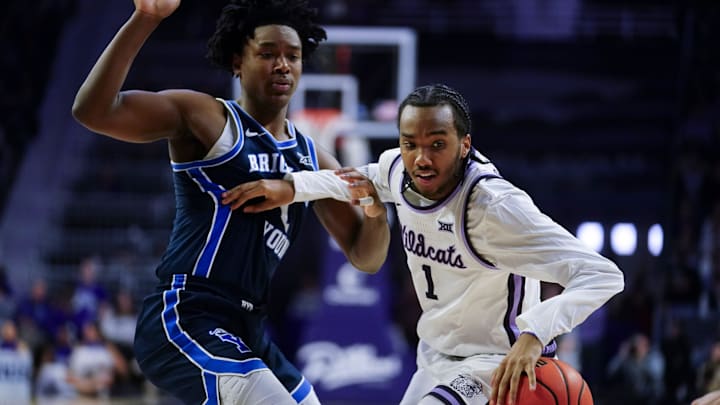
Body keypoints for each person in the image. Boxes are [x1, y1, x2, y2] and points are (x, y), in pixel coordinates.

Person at [222, 83, 625, 405]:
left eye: (437, 143)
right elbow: (355, 178)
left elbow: (603, 274)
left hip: (491, 365)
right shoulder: (398, 169)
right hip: (432, 356)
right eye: (410, 143)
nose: (421, 158)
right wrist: (290, 188)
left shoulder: (495, 208)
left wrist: (534, 334)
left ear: (464, 145)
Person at [71, 0, 390, 404]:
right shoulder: (207, 117)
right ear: (238, 61)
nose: (283, 66)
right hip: (188, 312)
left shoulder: (312, 158)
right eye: (268, 54)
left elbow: (367, 257)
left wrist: (377, 212)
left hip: (249, 327)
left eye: (292, 56)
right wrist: (145, 18)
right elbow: (93, 111)